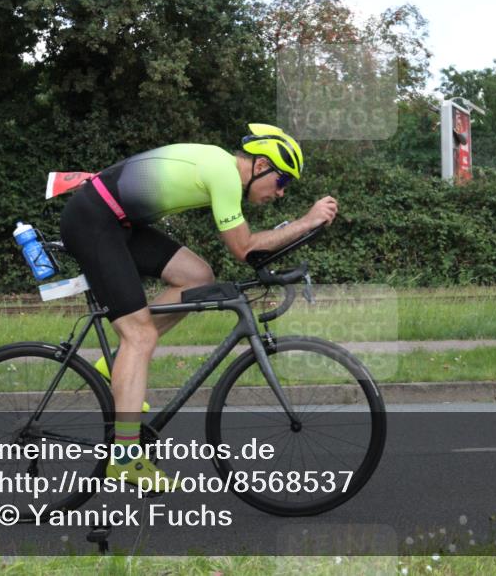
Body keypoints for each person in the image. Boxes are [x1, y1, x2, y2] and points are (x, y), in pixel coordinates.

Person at [58, 124, 337, 491]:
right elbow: (245, 249)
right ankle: (124, 459)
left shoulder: (221, 168)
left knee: (198, 277)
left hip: (116, 221)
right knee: (139, 336)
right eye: (282, 180)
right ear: (260, 166)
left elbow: (246, 250)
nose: (281, 192)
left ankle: (114, 366)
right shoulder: (224, 173)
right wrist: (306, 221)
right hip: (94, 221)